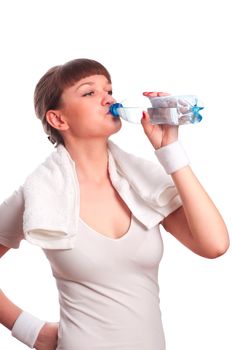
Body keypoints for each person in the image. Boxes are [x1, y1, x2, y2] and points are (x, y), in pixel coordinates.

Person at [0, 58, 229, 350]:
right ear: (58, 120)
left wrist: (170, 150)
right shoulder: (40, 194)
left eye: (109, 89)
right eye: (89, 92)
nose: (108, 97)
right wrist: (30, 330)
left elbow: (215, 245)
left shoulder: (143, 186)